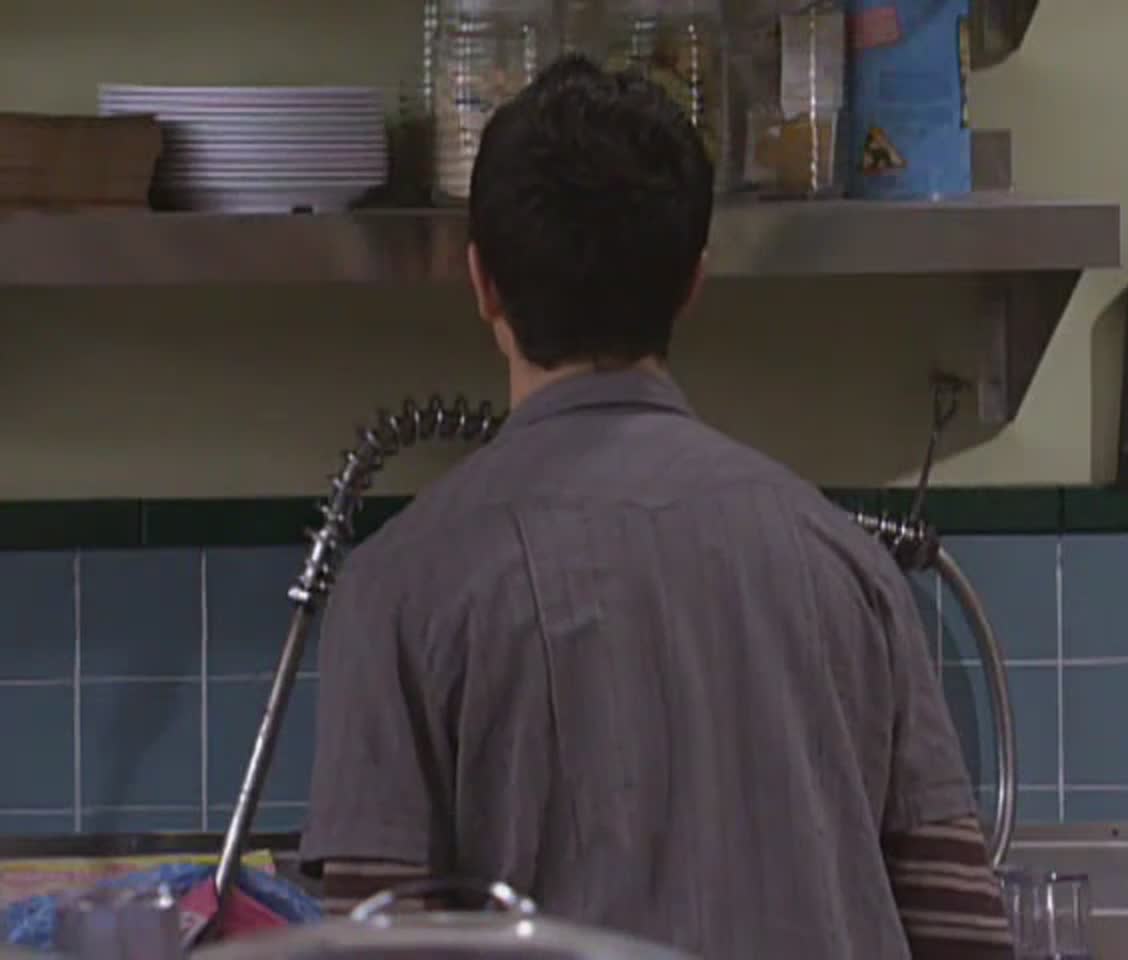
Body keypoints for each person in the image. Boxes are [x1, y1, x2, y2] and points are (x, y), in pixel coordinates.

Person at [301, 55, 1012, 960]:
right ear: (692, 284)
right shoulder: (845, 563)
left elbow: (378, 939)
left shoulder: (397, 588)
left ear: (482, 283)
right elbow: (961, 929)